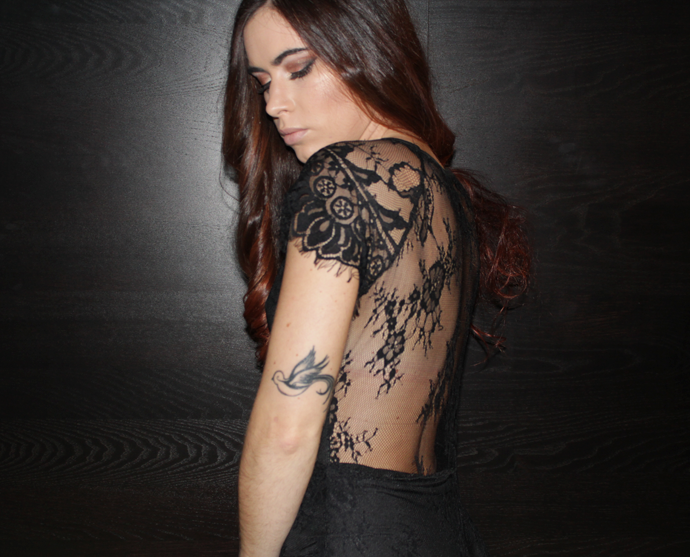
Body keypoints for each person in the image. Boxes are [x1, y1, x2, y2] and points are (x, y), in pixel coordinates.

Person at [222, 1, 530, 555]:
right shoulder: (445, 192)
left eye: (299, 69)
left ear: (366, 50)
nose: (273, 104)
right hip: (440, 529)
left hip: (350, 532)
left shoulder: (348, 177)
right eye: (262, 82)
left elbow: (288, 430)